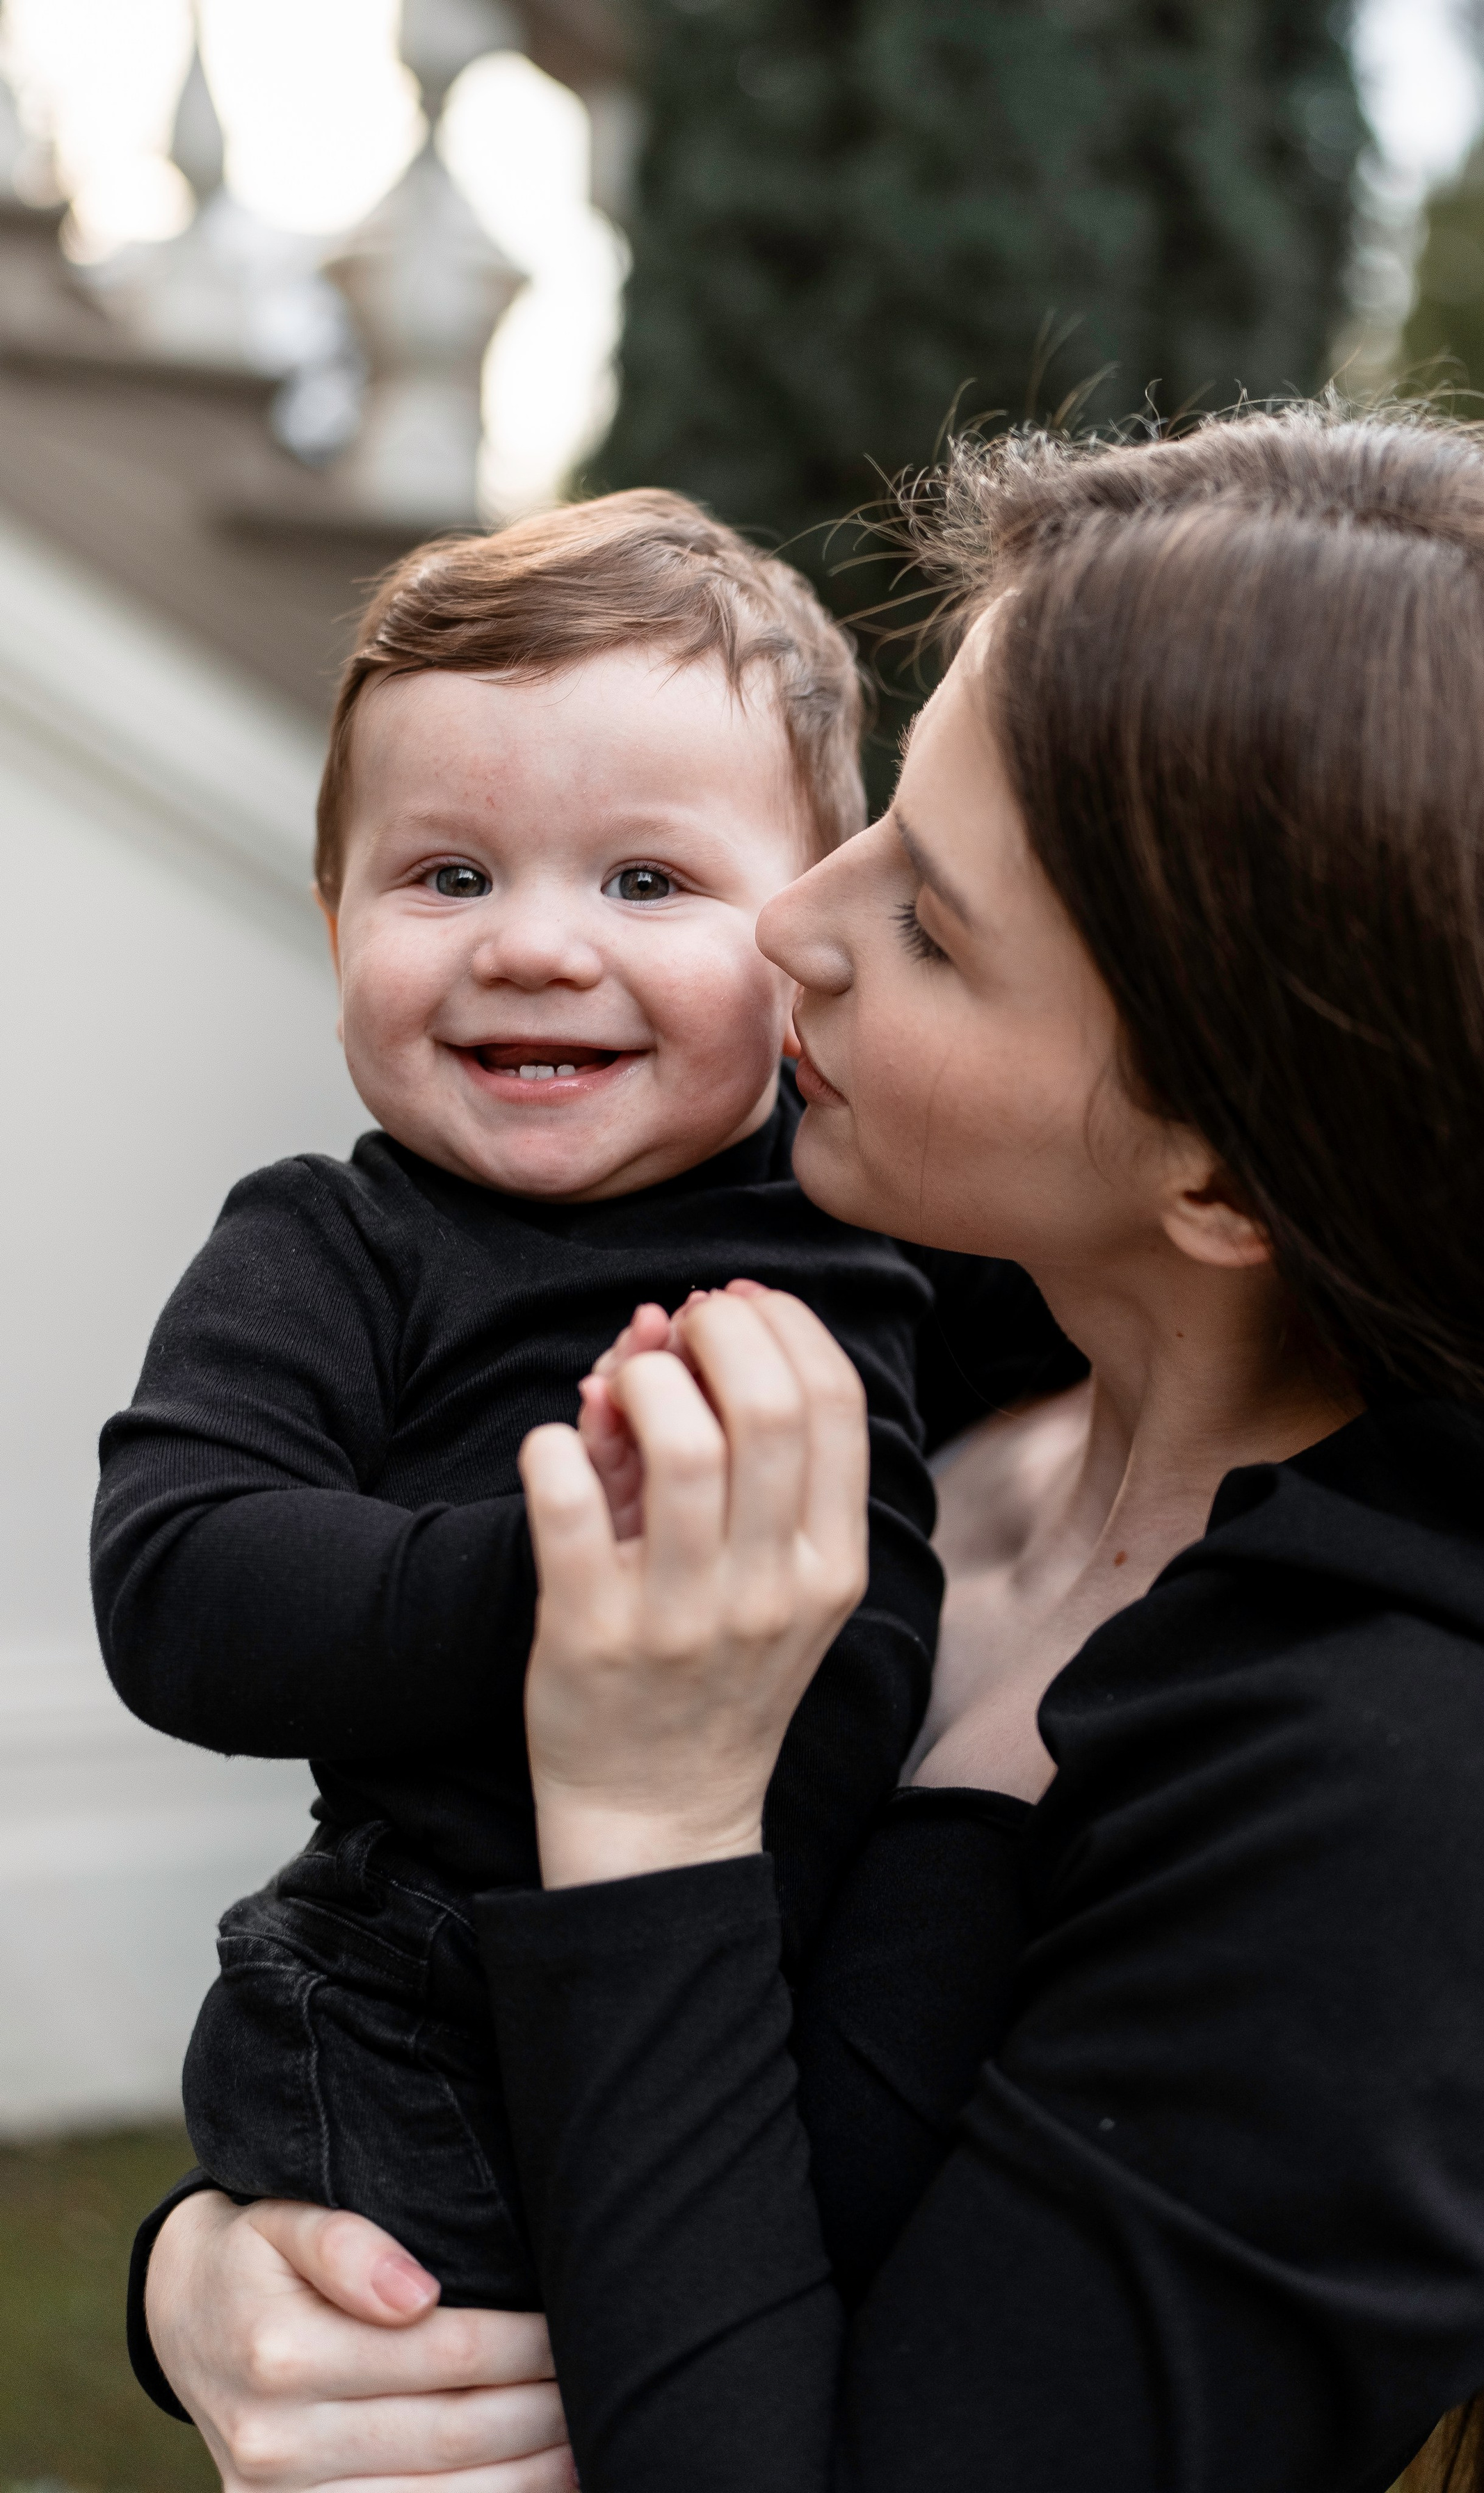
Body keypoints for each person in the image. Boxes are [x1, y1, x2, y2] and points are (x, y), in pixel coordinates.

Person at [130, 408, 1484, 2493]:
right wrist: (223, 2281)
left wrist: (650, 1797)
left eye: (928, 919)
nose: (791, 921)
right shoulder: (923, 1348)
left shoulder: (1442, 1808)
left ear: (1225, 1171)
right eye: (881, 822)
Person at [92, 490, 1070, 2311]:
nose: (535, 946)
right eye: (447, 875)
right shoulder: (342, 1246)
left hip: (774, 1974)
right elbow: (179, 1574)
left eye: (644, 881)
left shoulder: (882, 1211)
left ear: (805, 935)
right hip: (425, 1994)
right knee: (503, 2388)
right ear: (333, 923)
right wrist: (562, 1575)